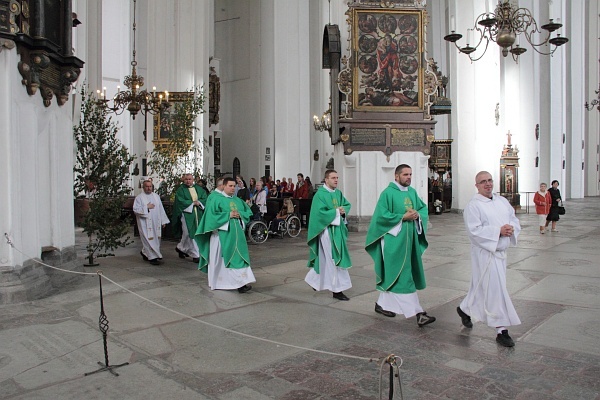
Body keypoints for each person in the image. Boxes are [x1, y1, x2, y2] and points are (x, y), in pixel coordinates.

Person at [365, 164, 436, 327]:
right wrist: (402, 217)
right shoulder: (387, 193)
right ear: (396, 176)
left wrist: (417, 215)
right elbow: (381, 217)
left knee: (395, 276)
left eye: (410, 174)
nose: (408, 177)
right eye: (405, 174)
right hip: (393, 242)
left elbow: (422, 209)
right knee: (404, 276)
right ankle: (419, 314)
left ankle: (381, 304)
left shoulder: (412, 192)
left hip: (409, 240)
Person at [457, 171, 521, 347]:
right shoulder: (473, 206)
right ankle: (502, 330)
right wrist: (497, 232)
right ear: (476, 185)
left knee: (481, 286)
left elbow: (513, 219)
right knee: (496, 290)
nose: (488, 184)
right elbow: (474, 231)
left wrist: (511, 229)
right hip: (485, 254)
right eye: (483, 182)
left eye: (490, 180)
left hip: (500, 254)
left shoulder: (502, 201)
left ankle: (464, 308)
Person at [195, 177, 255, 293]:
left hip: (237, 237)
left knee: (239, 258)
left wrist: (239, 214)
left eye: (234, 186)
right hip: (221, 237)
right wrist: (228, 215)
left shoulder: (238, 200)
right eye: (230, 186)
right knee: (224, 260)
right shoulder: (216, 200)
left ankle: (241, 283)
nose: (233, 188)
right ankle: (222, 282)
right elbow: (210, 217)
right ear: (224, 186)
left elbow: (247, 212)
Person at [305, 169, 352, 301]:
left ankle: (314, 280)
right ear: (326, 180)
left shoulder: (338, 193)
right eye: (333, 178)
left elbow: (347, 205)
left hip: (337, 230)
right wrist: (337, 211)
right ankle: (337, 290)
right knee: (332, 259)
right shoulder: (320, 195)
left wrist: (342, 211)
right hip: (326, 230)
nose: (336, 180)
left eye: (337, 177)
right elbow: (319, 213)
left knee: (326, 259)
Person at [172, 173, 208, 263]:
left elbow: (205, 197)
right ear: (183, 180)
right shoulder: (181, 190)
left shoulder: (199, 189)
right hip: (187, 213)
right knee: (188, 232)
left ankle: (181, 248)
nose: (188, 181)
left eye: (190, 179)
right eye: (186, 179)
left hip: (198, 213)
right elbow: (180, 201)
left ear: (193, 180)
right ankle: (195, 254)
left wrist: (199, 202)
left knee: (195, 233)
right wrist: (192, 203)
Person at [133, 180, 170, 265]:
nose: (149, 188)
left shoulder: (156, 196)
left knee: (156, 238)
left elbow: (161, 209)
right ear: (143, 187)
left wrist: (163, 221)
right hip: (145, 223)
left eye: (150, 186)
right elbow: (136, 210)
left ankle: (145, 253)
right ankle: (152, 257)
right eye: (147, 186)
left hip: (156, 222)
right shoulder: (139, 198)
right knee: (147, 239)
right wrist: (146, 207)